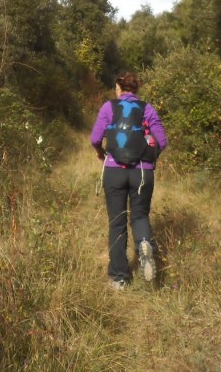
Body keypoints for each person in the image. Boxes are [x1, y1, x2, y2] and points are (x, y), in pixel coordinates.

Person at [90, 71, 168, 289]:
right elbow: (162, 141)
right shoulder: (147, 108)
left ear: (118, 88)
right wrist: (149, 158)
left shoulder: (108, 107)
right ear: (137, 89)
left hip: (114, 170)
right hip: (142, 172)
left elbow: (95, 138)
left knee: (117, 222)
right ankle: (143, 244)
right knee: (140, 216)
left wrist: (100, 152)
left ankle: (119, 278)